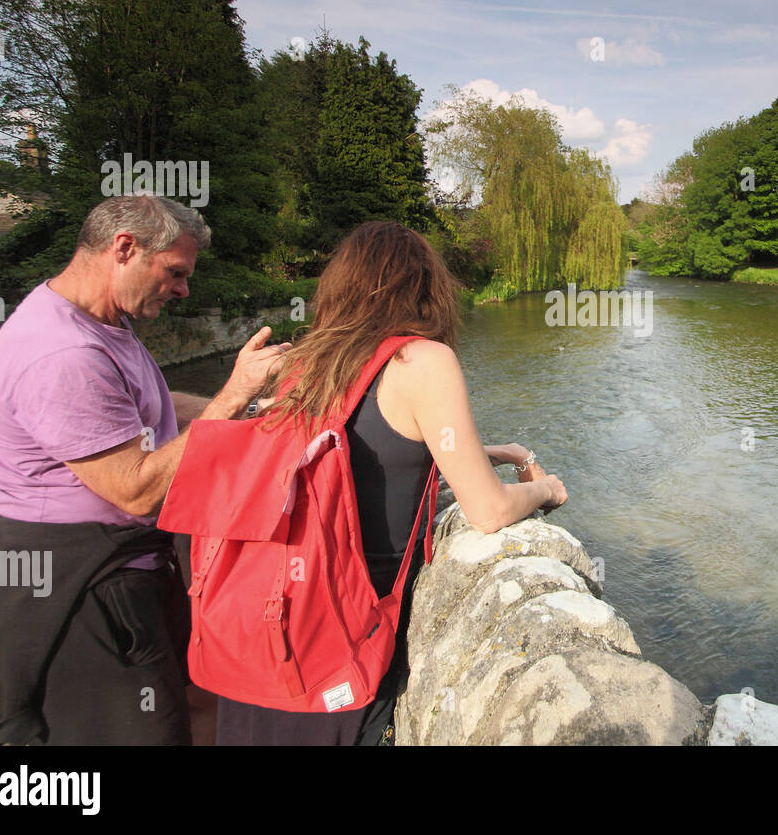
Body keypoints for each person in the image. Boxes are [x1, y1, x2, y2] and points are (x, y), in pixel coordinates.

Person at [0, 193, 289, 746]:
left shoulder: (98, 322)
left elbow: (148, 405)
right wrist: (233, 397)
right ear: (124, 248)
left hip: (100, 570)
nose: (184, 289)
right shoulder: (62, 353)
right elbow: (134, 490)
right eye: (175, 272)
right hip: (75, 586)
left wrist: (253, 411)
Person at [214, 220, 568, 745]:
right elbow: (488, 511)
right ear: (424, 288)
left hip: (273, 615)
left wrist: (500, 452)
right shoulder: (422, 359)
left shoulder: (307, 362)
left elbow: (368, 445)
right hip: (349, 627)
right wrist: (547, 489)